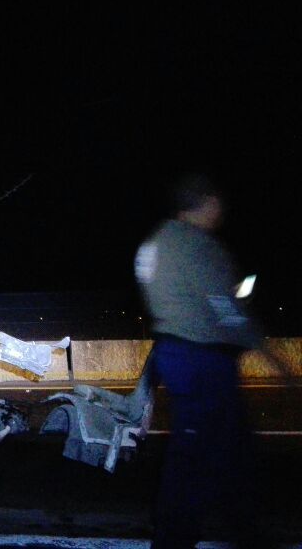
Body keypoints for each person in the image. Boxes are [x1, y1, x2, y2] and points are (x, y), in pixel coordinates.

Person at [134, 173, 265, 548]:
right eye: (217, 202)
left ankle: (233, 525)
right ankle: (181, 535)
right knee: (204, 452)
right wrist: (265, 349)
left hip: (173, 353)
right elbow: (225, 306)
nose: (221, 209)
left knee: (213, 446)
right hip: (202, 358)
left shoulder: (154, 243)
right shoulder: (195, 245)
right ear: (204, 202)